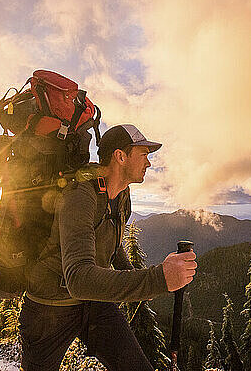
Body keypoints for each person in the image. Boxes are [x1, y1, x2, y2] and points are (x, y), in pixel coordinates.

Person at [18, 124, 197, 371]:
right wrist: (158, 279)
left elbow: (111, 246)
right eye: (143, 154)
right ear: (120, 156)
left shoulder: (121, 196)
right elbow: (78, 279)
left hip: (94, 303)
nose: (149, 163)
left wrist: (141, 279)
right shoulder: (80, 195)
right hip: (49, 310)